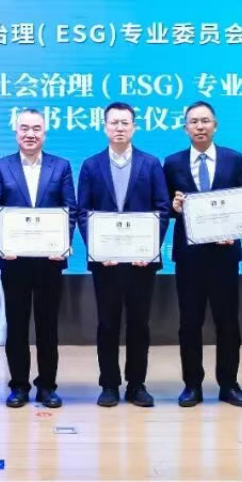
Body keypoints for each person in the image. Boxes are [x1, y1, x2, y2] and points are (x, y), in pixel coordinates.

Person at [77, 102, 169, 408]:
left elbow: (162, 209)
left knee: (139, 324)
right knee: (107, 324)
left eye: (125, 123)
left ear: (134, 127)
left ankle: (136, 385)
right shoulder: (91, 165)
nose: (119, 128)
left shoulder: (150, 163)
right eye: (114, 123)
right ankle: (109, 385)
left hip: (141, 262)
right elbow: (82, 212)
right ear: (105, 127)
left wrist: (150, 249)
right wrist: (97, 249)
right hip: (106, 262)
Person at [163, 101, 242, 408]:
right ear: (185, 128)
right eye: (193, 122)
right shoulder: (172, 162)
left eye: (205, 121)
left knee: (228, 322)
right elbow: (165, 206)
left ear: (215, 125)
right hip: (189, 257)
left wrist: (235, 230)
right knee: (190, 322)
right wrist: (174, 208)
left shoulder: (233, 158)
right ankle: (192, 385)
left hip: (224, 255)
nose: (199, 126)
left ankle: (229, 384)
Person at [0, 108, 77, 409]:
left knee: (47, 326)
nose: (30, 134)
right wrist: (4, 243)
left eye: (36, 129)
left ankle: (47, 386)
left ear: (45, 133)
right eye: (24, 128)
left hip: (50, 261)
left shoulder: (61, 166)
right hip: (14, 261)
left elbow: (70, 210)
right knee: (16, 325)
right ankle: (19, 386)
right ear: (16, 132)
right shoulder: (1, 167)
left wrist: (62, 243)